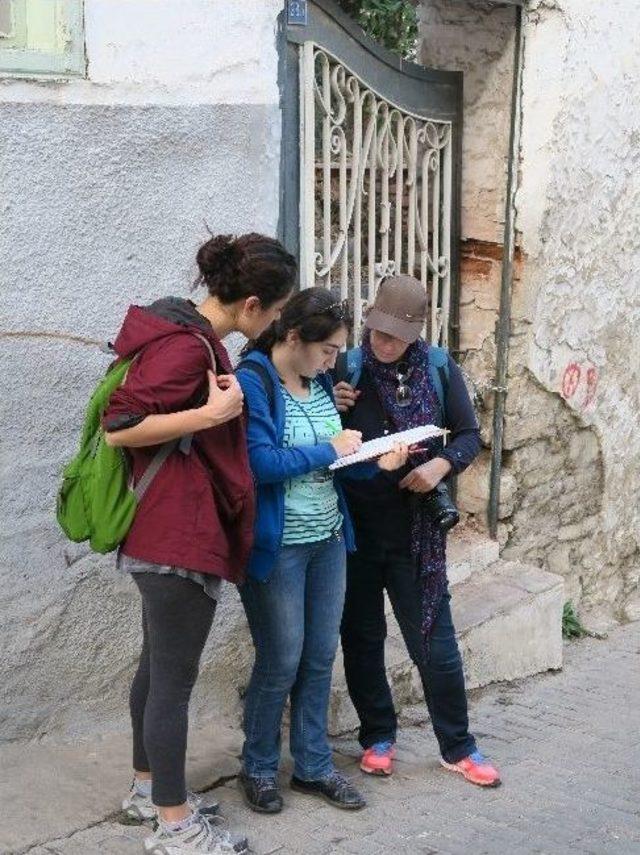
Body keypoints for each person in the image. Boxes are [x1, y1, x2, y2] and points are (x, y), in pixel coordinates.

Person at [102, 233, 296, 855]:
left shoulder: (185, 335)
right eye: (273, 312)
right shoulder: (187, 348)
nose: (271, 325)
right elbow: (120, 428)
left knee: (157, 669)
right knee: (172, 684)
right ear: (250, 305)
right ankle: (175, 824)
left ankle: (147, 790)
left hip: (165, 528)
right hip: (174, 533)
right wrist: (208, 418)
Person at [235, 288, 408, 814]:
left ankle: (312, 766)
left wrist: (372, 460)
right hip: (278, 546)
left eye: (337, 351)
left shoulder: (321, 381)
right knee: (281, 658)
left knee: (318, 657)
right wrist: (330, 449)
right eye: (328, 349)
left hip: (329, 538)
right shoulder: (256, 380)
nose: (336, 360)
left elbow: (334, 461)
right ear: (293, 337)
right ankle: (259, 767)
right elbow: (260, 464)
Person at [333, 274, 501, 788]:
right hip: (356, 530)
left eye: (395, 337)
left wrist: (441, 466)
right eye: (378, 332)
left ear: (415, 334)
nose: (383, 345)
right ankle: (377, 736)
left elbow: (470, 434)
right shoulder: (343, 366)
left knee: (435, 640)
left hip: (416, 532)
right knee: (361, 638)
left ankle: (458, 745)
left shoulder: (437, 367)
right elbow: (319, 442)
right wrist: (330, 409)